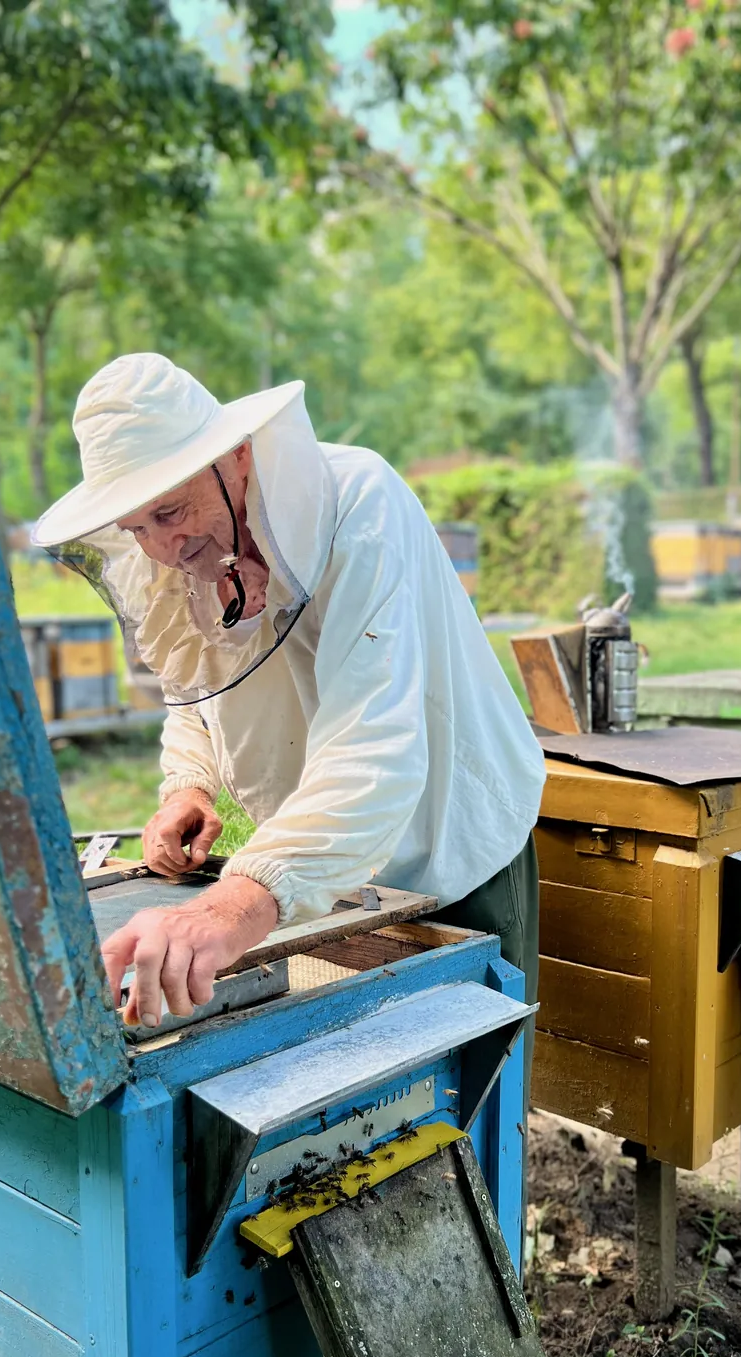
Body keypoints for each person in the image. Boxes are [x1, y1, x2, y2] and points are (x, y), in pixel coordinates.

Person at [34, 353, 544, 1075]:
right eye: (135, 524)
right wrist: (188, 784)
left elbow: (375, 746)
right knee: (361, 1103)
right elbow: (195, 687)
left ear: (236, 454)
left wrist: (230, 909)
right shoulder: (178, 556)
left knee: (475, 1094)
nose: (160, 546)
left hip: (452, 848)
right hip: (319, 879)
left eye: (170, 512)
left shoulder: (360, 504)